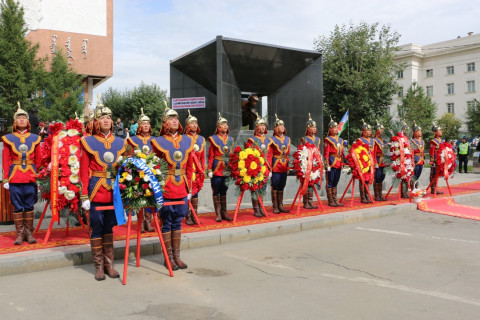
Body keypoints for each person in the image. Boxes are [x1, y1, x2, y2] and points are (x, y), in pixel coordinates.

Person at [80, 101, 127, 281]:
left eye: (108, 117)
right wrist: (84, 194)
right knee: (97, 227)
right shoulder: (88, 141)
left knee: (109, 228)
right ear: (96, 121)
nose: (106, 120)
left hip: (114, 191)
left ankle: (109, 265)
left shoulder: (121, 142)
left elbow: (125, 169)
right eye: (102, 117)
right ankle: (98, 267)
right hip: (96, 190)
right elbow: (84, 170)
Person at [151, 105, 194, 270]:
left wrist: (189, 187)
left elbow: (189, 166)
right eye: (170, 118)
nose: (175, 120)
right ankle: (168, 258)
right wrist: (157, 188)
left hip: (181, 186)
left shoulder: (187, 140)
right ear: (164, 123)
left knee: (178, 222)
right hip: (166, 187)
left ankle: (177, 257)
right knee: (166, 222)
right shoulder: (158, 142)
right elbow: (154, 166)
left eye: (176, 118)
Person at [2, 102, 42, 245]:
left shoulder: (35, 138)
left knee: (30, 205)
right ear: (15, 122)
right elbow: (6, 160)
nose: (22, 120)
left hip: (31, 176)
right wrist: (5, 179)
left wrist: (39, 178)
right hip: (15, 176)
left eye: (24, 118)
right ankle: (20, 234)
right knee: (18, 206)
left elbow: (38, 159)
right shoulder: (8, 138)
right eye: (19, 118)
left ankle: (29, 233)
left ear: (28, 120)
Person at [127, 108, 155, 232]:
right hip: (138, 173)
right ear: (139, 125)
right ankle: (141, 222)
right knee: (139, 197)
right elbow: (128, 156)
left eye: (148, 123)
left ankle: (148, 221)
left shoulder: (154, 140)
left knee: (149, 197)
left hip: (152, 173)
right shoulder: (132, 140)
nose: (146, 125)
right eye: (144, 123)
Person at [207, 113, 234, 222]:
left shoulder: (230, 139)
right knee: (216, 191)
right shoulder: (213, 139)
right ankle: (217, 213)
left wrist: (233, 167)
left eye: (226, 124)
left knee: (224, 191)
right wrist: (209, 169)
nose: (225, 126)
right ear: (218, 127)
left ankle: (224, 212)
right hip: (217, 168)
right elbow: (211, 155)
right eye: (223, 124)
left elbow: (232, 155)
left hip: (226, 168)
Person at [246, 113, 272, 216]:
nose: (262, 127)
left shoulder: (268, 140)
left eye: (263, 125)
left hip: (265, 168)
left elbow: (270, 155)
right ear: (257, 127)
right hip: (255, 168)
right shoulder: (252, 140)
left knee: (263, 189)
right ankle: (256, 209)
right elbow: (249, 154)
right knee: (255, 188)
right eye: (260, 125)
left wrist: (269, 169)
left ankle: (261, 207)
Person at [184, 109, 205, 225]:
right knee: (188, 192)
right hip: (187, 170)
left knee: (195, 193)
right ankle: (187, 215)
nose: (194, 125)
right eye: (192, 123)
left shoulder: (201, 138)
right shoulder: (183, 138)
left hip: (197, 170)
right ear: (187, 125)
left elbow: (202, 157)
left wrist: (203, 168)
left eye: (196, 123)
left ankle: (194, 215)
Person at [267, 114, 291, 213]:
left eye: (283, 125)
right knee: (275, 185)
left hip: (284, 164)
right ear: (276, 128)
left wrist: (288, 167)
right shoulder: (272, 140)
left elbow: (288, 154)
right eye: (280, 126)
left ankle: (281, 205)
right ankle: (275, 206)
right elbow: (269, 155)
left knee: (282, 185)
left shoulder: (287, 139)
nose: (282, 127)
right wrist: (269, 168)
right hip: (276, 164)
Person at [300, 113, 320, 209]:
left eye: (315, 127)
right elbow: (302, 151)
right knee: (306, 182)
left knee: (312, 182)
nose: (314, 129)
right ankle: (306, 202)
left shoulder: (318, 139)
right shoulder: (304, 139)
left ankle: (310, 201)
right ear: (308, 128)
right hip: (307, 163)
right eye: (312, 127)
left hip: (315, 164)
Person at [324, 116, 345, 207]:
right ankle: (330, 200)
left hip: (339, 162)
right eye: (334, 127)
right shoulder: (328, 140)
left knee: (336, 181)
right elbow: (326, 153)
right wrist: (326, 164)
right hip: (332, 162)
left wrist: (343, 162)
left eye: (336, 127)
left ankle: (335, 199)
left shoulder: (340, 140)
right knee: (330, 181)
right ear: (330, 129)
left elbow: (342, 152)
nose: (336, 129)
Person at [356, 120, 374, 203]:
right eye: (367, 130)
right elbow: (357, 152)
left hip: (371, 162)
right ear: (363, 132)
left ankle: (367, 195)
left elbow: (373, 152)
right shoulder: (360, 140)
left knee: (368, 179)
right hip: (363, 163)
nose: (369, 132)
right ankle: (363, 197)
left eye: (370, 130)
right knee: (362, 179)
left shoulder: (372, 140)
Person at [373, 120, 387, 201]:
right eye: (381, 130)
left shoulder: (384, 141)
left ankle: (380, 195)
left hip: (384, 161)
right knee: (377, 177)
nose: (382, 131)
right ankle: (377, 196)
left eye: (383, 130)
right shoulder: (375, 140)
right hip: (378, 160)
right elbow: (374, 152)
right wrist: (375, 162)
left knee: (382, 177)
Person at [429, 123, 444, 194]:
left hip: (440, 159)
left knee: (437, 174)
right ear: (436, 132)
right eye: (439, 131)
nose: (441, 132)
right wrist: (432, 161)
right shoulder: (433, 141)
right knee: (434, 174)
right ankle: (433, 189)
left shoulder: (441, 140)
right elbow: (431, 152)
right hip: (435, 160)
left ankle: (435, 188)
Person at [410, 121, 425, 189]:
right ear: (414, 133)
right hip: (415, 158)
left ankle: (416, 186)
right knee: (415, 173)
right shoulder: (412, 141)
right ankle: (413, 187)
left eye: (420, 131)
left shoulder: (422, 141)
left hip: (421, 158)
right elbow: (411, 151)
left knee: (419, 172)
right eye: (418, 131)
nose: (420, 132)